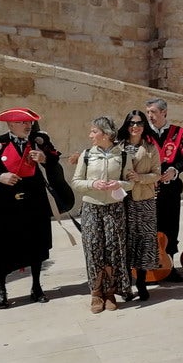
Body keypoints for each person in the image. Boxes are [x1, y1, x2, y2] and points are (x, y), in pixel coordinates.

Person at [0, 108, 56, 308]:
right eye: (21, 122)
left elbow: (54, 160)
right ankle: (2, 288)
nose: (27, 126)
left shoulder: (39, 141)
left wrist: (44, 159)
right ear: (10, 124)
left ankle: (36, 286)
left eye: (28, 122)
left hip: (33, 202)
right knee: (3, 246)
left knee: (36, 244)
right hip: (5, 205)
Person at [72, 116, 134, 313]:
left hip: (114, 208)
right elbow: (76, 181)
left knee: (113, 250)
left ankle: (110, 292)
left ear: (106, 134)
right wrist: (93, 184)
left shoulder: (123, 156)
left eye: (94, 131)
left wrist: (120, 184)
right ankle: (96, 293)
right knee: (93, 249)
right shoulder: (87, 155)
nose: (91, 135)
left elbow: (130, 182)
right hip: (92, 208)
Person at [145, 98, 183, 282]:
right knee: (150, 228)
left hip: (170, 189)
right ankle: (150, 267)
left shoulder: (179, 133)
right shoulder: (144, 134)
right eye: (148, 112)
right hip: (148, 189)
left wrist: (175, 170)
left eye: (154, 112)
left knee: (171, 227)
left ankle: (170, 266)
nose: (150, 116)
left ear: (164, 112)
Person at [116, 110, 161, 300]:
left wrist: (140, 178)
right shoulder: (117, 147)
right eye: (132, 123)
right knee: (124, 241)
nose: (135, 127)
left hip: (144, 200)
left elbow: (157, 174)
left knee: (144, 241)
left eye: (139, 123)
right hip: (122, 200)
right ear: (127, 126)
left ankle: (141, 282)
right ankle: (125, 285)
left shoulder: (150, 148)